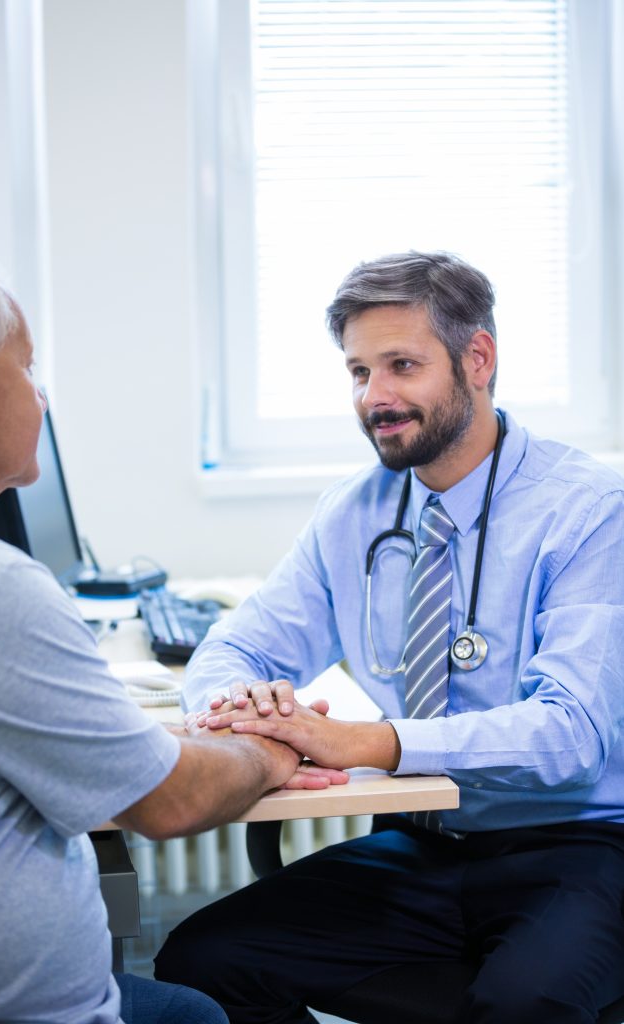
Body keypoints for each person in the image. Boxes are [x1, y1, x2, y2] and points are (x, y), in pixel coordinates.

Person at [154, 251, 624, 1024]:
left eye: (401, 365)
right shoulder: (357, 510)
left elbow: (568, 734)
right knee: (202, 962)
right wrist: (239, 706)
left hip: (580, 846)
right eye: (357, 372)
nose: (375, 397)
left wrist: (369, 743)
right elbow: (235, 646)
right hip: (424, 845)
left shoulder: (588, 512)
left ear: (477, 359)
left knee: (521, 1004)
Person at [0, 255, 346, 1024]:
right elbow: (172, 800)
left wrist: (179, 734)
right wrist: (275, 746)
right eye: (28, 370)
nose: (42, 396)